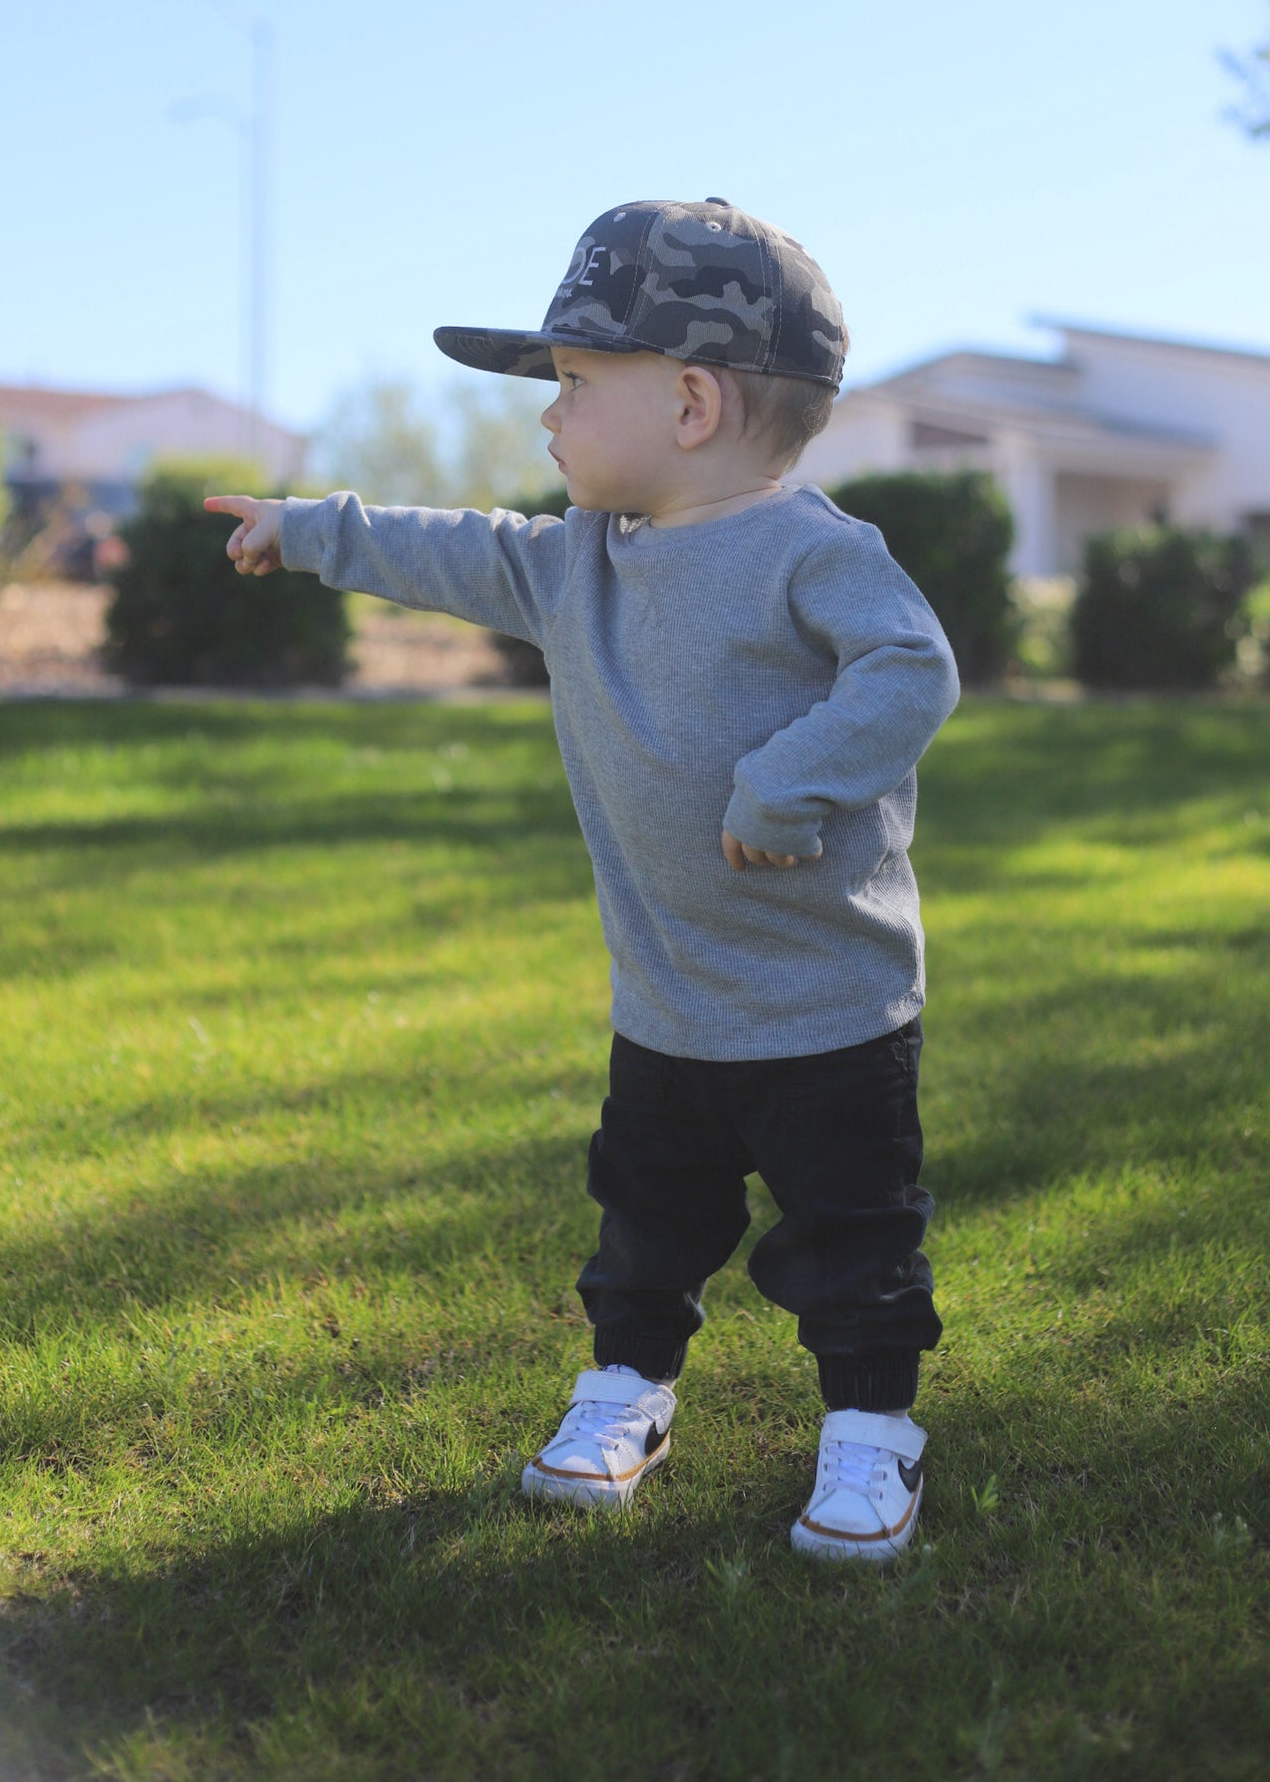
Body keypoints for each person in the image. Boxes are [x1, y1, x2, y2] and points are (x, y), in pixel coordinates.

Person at [205, 196, 959, 1563]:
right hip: (668, 1003)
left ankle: (869, 1433)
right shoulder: (575, 565)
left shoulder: (815, 554)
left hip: (831, 1013)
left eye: (570, 384)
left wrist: (786, 782)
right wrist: (308, 526)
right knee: (645, 1217)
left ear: (688, 403)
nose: (546, 416)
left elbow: (910, 670)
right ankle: (627, 1391)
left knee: (851, 1235)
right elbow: (453, 547)